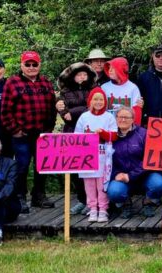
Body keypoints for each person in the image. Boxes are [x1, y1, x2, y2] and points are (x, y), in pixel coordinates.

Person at [0, 51, 57, 212]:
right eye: (28, 64)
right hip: (22, 135)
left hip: (42, 134)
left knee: (42, 166)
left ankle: (38, 196)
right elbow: (5, 111)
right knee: (22, 166)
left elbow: (52, 108)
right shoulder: (12, 83)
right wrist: (15, 130)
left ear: (39, 65)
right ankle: (20, 197)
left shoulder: (46, 82)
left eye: (34, 64)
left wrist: (49, 128)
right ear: (21, 65)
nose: (31, 67)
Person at [106, 107, 162, 218]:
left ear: (133, 119)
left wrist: (130, 175)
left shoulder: (144, 134)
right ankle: (125, 204)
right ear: (115, 118)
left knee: (160, 184)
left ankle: (148, 202)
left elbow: (150, 158)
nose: (123, 120)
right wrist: (115, 174)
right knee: (114, 192)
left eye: (126, 117)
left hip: (144, 175)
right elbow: (105, 160)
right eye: (120, 117)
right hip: (121, 177)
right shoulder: (110, 136)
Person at [55, 62, 97, 215]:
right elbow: (65, 116)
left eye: (84, 74)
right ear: (73, 76)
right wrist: (69, 113)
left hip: (89, 132)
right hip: (71, 133)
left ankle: (91, 201)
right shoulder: (64, 92)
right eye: (79, 74)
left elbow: (93, 108)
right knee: (74, 169)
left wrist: (74, 111)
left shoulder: (93, 90)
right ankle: (81, 199)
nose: (82, 77)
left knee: (89, 168)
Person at [75, 87, 118, 222]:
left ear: (105, 101)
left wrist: (103, 133)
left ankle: (103, 209)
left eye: (101, 99)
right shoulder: (84, 116)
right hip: (87, 158)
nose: (98, 102)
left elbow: (114, 135)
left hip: (103, 157)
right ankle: (92, 208)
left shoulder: (109, 117)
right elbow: (77, 136)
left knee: (102, 185)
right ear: (90, 101)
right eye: (95, 99)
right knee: (89, 185)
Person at [102, 57, 143, 122]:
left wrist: (135, 129)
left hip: (126, 127)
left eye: (113, 68)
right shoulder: (104, 87)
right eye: (109, 68)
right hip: (109, 127)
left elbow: (137, 112)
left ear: (120, 70)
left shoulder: (133, 88)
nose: (110, 70)